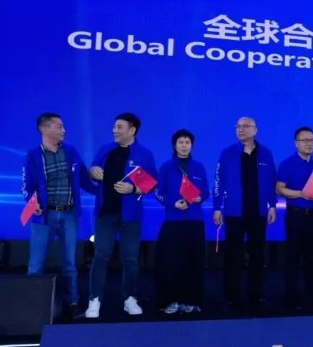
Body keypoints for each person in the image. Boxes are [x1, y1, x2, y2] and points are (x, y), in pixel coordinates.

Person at [85, 112, 156, 319]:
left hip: (130, 216)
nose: (114, 130)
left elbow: (151, 184)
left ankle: (129, 298)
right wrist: (93, 170)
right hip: (105, 213)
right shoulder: (105, 150)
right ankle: (94, 299)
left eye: (119, 127)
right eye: (114, 127)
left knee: (130, 258)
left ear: (132, 130)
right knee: (101, 256)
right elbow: (92, 170)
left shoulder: (144, 154)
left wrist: (133, 189)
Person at [23, 112, 93, 320]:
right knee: (36, 264)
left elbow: (84, 179)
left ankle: (72, 303)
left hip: (69, 214)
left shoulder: (70, 151)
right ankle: (31, 305)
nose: (63, 130)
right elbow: (27, 186)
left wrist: (105, 191)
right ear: (44, 129)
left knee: (70, 263)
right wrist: (32, 203)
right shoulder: (33, 155)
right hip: (44, 216)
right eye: (59, 126)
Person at [213, 116, 277, 313]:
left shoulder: (265, 153)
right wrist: (217, 207)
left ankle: (256, 297)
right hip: (234, 212)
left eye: (245, 126)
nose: (240, 129)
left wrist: (272, 205)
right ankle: (231, 298)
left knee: (257, 256)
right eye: (238, 126)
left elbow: (272, 181)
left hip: (258, 212)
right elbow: (218, 181)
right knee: (232, 256)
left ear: (255, 130)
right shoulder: (227, 153)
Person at [154, 128, 210, 315]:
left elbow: (206, 192)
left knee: (194, 262)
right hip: (173, 222)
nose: (184, 145)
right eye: (181, 142)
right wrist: (173, 203)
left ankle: (191, 301)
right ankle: (172, 301)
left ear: (191, 145)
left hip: (195, 221)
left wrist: (200, 198)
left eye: (187, 142)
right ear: (174, 145)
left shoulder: (199, 167)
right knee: (172, 263)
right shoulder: (166, 167)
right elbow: (159, 193)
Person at [276, 126, 313, 311]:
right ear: (295, 143)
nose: (309, 144)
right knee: (293, 257)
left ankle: (312, 298)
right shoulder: (287, 163)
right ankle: (291, 299)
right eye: (305, 140)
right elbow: (279, 189)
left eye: (312, 140)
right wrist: (300, 193)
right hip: (296, 215)